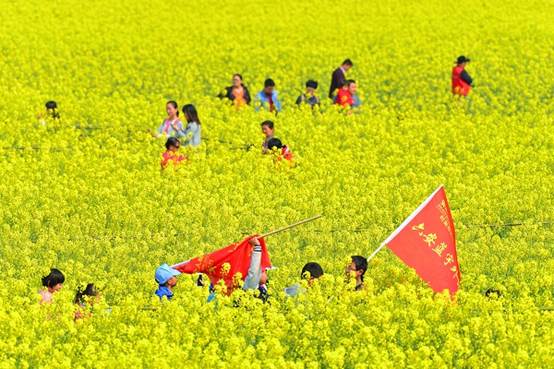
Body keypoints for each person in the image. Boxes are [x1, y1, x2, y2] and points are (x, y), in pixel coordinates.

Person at [243, 237, 270, 302]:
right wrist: (257, 247)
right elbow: (253, 273)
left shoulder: (264, 287)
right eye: (262, 271)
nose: (265, 273)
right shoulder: (249, 285)